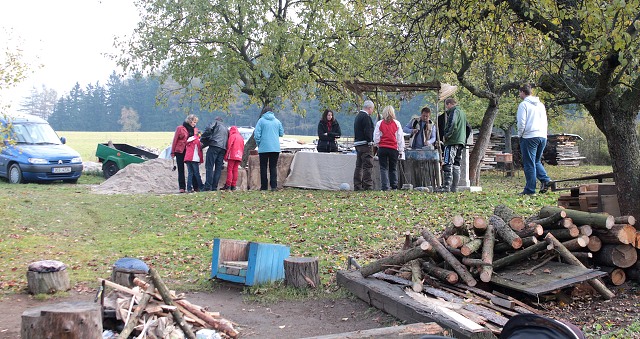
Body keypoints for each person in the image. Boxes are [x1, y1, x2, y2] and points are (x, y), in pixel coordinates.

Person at [517, 83, 552, 195]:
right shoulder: (540, 105)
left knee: (529, 164)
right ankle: (546, 180)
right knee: (536, 161)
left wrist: (520, 134)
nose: (519, 94)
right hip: (542, 136)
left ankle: (530, 190)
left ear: (522, 92)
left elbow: (521, 122)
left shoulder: (524, 105)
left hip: (529, 136)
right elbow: (545, 121)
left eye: (519, 92)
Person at [438, 98, 468, 193]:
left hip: (452, 141)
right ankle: (454, 187)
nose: (446, 108)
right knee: (456, 164)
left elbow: (452, 123)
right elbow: (467, 127)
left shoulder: (454, 112)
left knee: (447, 163)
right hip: (460, 141)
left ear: (450, 104)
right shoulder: (462, 113)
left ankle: (446, 186)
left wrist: (446, 135)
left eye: (447, 106)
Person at [374, 105, 405, 191]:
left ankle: (385, 186)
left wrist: (378, 145)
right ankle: (394, 186)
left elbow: (376, 138)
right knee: (393, 168)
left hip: (383, 148)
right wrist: (401, 149)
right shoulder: (397, 123)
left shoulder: (379, 123)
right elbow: (400, 138)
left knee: (383, 168)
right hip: (393, 148)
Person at [254, 106, 284, 191]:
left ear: (264, 112)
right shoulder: (277, 121)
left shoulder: (261, 121)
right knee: (273, 167)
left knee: (263, 167)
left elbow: (257, 134)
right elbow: (281, 133)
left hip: (264, 147)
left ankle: (264, 187)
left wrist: (259, 143)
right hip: (275, 148)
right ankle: (273, 186)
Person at [171, 114, 200, 193]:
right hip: (180, 151)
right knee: (181, 169)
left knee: (192, 169)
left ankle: (195, 186)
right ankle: (182, 187)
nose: (195, 124)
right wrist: (172, 152)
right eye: (194, 122)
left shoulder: (196, 130)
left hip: (190, 151)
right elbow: (175, 140)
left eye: (196, 122)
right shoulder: (180, 128)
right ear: (190, 121)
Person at [200, 116, 229, 191]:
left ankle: (207, 186)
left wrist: (203, 139)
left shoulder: (215, 123)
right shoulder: (226, 128)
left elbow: (208, 129)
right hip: (223, 148)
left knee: (209, 166)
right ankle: (214, 187)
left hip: (214, 146)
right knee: (218, 169)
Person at [352, 100, 375, 191]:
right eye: (372, 109)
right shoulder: (366, 117)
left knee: (359, 166)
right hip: (365, 145)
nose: (372, 111)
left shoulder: (358, 116)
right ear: (369, 108)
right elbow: (368, 130)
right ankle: (367, 185)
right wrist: (370, 141)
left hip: (358, 144)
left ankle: (357, 185)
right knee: (368, 165)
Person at [222, 126, 245, 191]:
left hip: (232, 155)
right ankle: (233, 185)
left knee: (230, 170)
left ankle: (228, 185)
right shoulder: (241, 137)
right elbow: (243, 147)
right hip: (239, 155)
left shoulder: (232, 136)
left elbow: (229, 147)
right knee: (235, 170)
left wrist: (226, 156)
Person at [183, 123, 204, 193]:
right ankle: (201, 186)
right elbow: (199, 152)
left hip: (187, 158)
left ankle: (189, 188)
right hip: (194, 159)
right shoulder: (197, 141)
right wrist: (201, 160)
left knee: (190, 173)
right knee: (197, 173)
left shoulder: (189, 139)